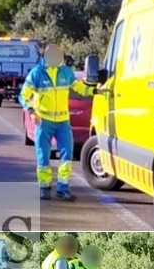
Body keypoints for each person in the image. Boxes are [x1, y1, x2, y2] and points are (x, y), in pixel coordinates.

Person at [19, 43, 98, 202]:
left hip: (63, 122)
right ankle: (44, 188)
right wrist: (31, 111)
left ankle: (63, 188)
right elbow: (23, 96)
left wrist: (96, 91)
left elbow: (80, 88)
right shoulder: (36, 74)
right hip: (44, 122)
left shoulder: (67, 73)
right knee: (43, 157)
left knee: (67, 155)